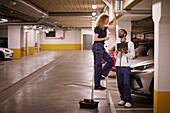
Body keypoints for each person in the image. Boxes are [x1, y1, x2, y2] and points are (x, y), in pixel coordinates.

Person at [92, 12, 116, 90]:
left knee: (110, 61)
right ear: (103, 19)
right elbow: (95, 39)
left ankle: (102, 74)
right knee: (98, 66)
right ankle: (97, 85)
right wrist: (104, 38)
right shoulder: (98, 28)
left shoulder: (104, 28)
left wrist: (115, 16)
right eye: (107, 20)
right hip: (97, 46)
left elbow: (114, 26)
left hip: (101, 47)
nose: (107, 21)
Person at [114, 29, 135, 108]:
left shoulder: (130, 43)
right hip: (118, 66)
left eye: (121, 31)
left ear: (125, 34)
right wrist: (116, 54)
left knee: (126, 84)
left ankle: (129, 101)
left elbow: (132, 55)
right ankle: (122, 98)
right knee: (120, 84)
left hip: (126, 67)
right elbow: (116, 57)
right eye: (119, 32)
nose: (119, 33)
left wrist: (126, 53)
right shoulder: (117, 43)